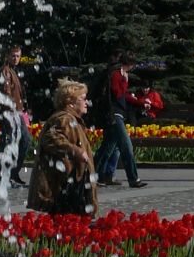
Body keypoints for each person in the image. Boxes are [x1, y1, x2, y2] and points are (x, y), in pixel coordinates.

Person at [27, 78, 99, 217]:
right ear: (70, 102)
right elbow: (50, 139)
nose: (87, 103)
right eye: (83, 98)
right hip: (63, 187)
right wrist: (76, 152)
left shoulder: (71, 119)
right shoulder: (64, 119)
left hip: (68, 185)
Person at [94, 54, 147, 190]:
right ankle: (133, 179)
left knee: (107, 148)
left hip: (117, 115)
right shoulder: (117, 74)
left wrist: (141, 103)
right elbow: (118, 93)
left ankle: (92, 175)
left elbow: (124, 96)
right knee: (126, 146)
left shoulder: (121, 74)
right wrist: (124, 81)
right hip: (114, 115)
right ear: (129, 63)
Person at [0, 44, 34, 185]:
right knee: (19, 141)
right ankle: (8, 175)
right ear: (7, 55)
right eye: (13, 55)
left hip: (14, 112)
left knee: (12, 143)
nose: (16, 58)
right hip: (9, 113)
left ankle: (10, 174)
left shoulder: (12, 70)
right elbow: (6, 92)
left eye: (18, 56)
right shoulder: (5, 71)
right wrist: (13, 108)